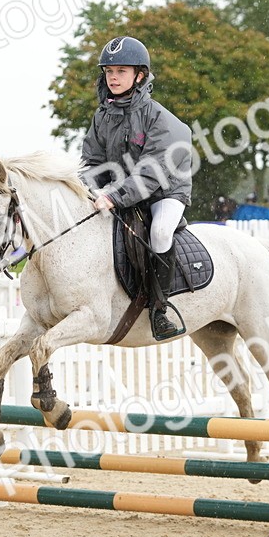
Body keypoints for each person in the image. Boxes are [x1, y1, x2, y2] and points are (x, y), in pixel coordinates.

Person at [81, 35, 193, 340]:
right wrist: (89, 190)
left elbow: (149, 174)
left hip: (165, 190)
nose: (113, 78)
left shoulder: (161, 119)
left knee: (158, 231)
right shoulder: (102, 116)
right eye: (109, 72)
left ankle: (160, 309)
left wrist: (113, 196)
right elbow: (91, 162)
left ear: (139, 75)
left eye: (121, 71)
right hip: (123, 192)